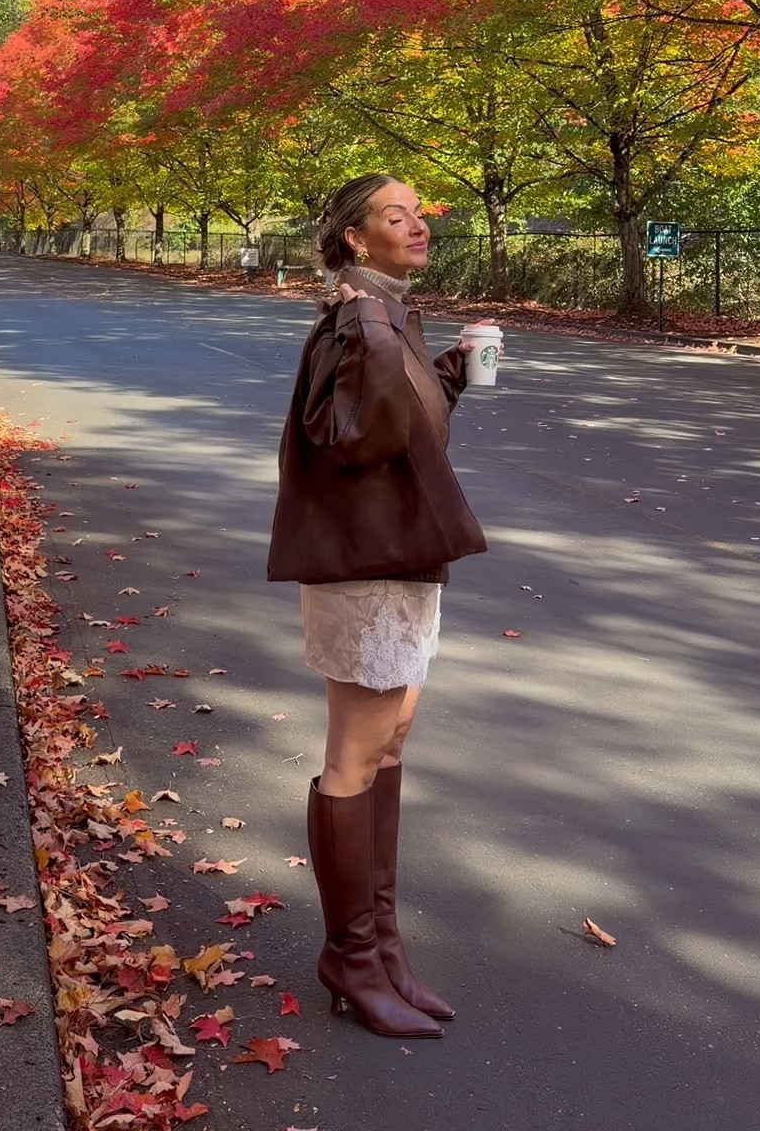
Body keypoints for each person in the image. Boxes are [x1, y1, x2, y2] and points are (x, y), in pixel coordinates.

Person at [268, 174, 487, 1040]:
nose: (417, 225)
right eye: (395, 216)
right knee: (355, 758)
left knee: (390, 744)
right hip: (365, 566)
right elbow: (355, 437)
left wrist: (448, 376)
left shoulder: (387, 314)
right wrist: (374, 333)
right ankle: (350, 959)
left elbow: (391, 422)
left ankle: (383, 949)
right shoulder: (356, 318)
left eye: (419, 213)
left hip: (402, 556)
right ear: (357, 238)